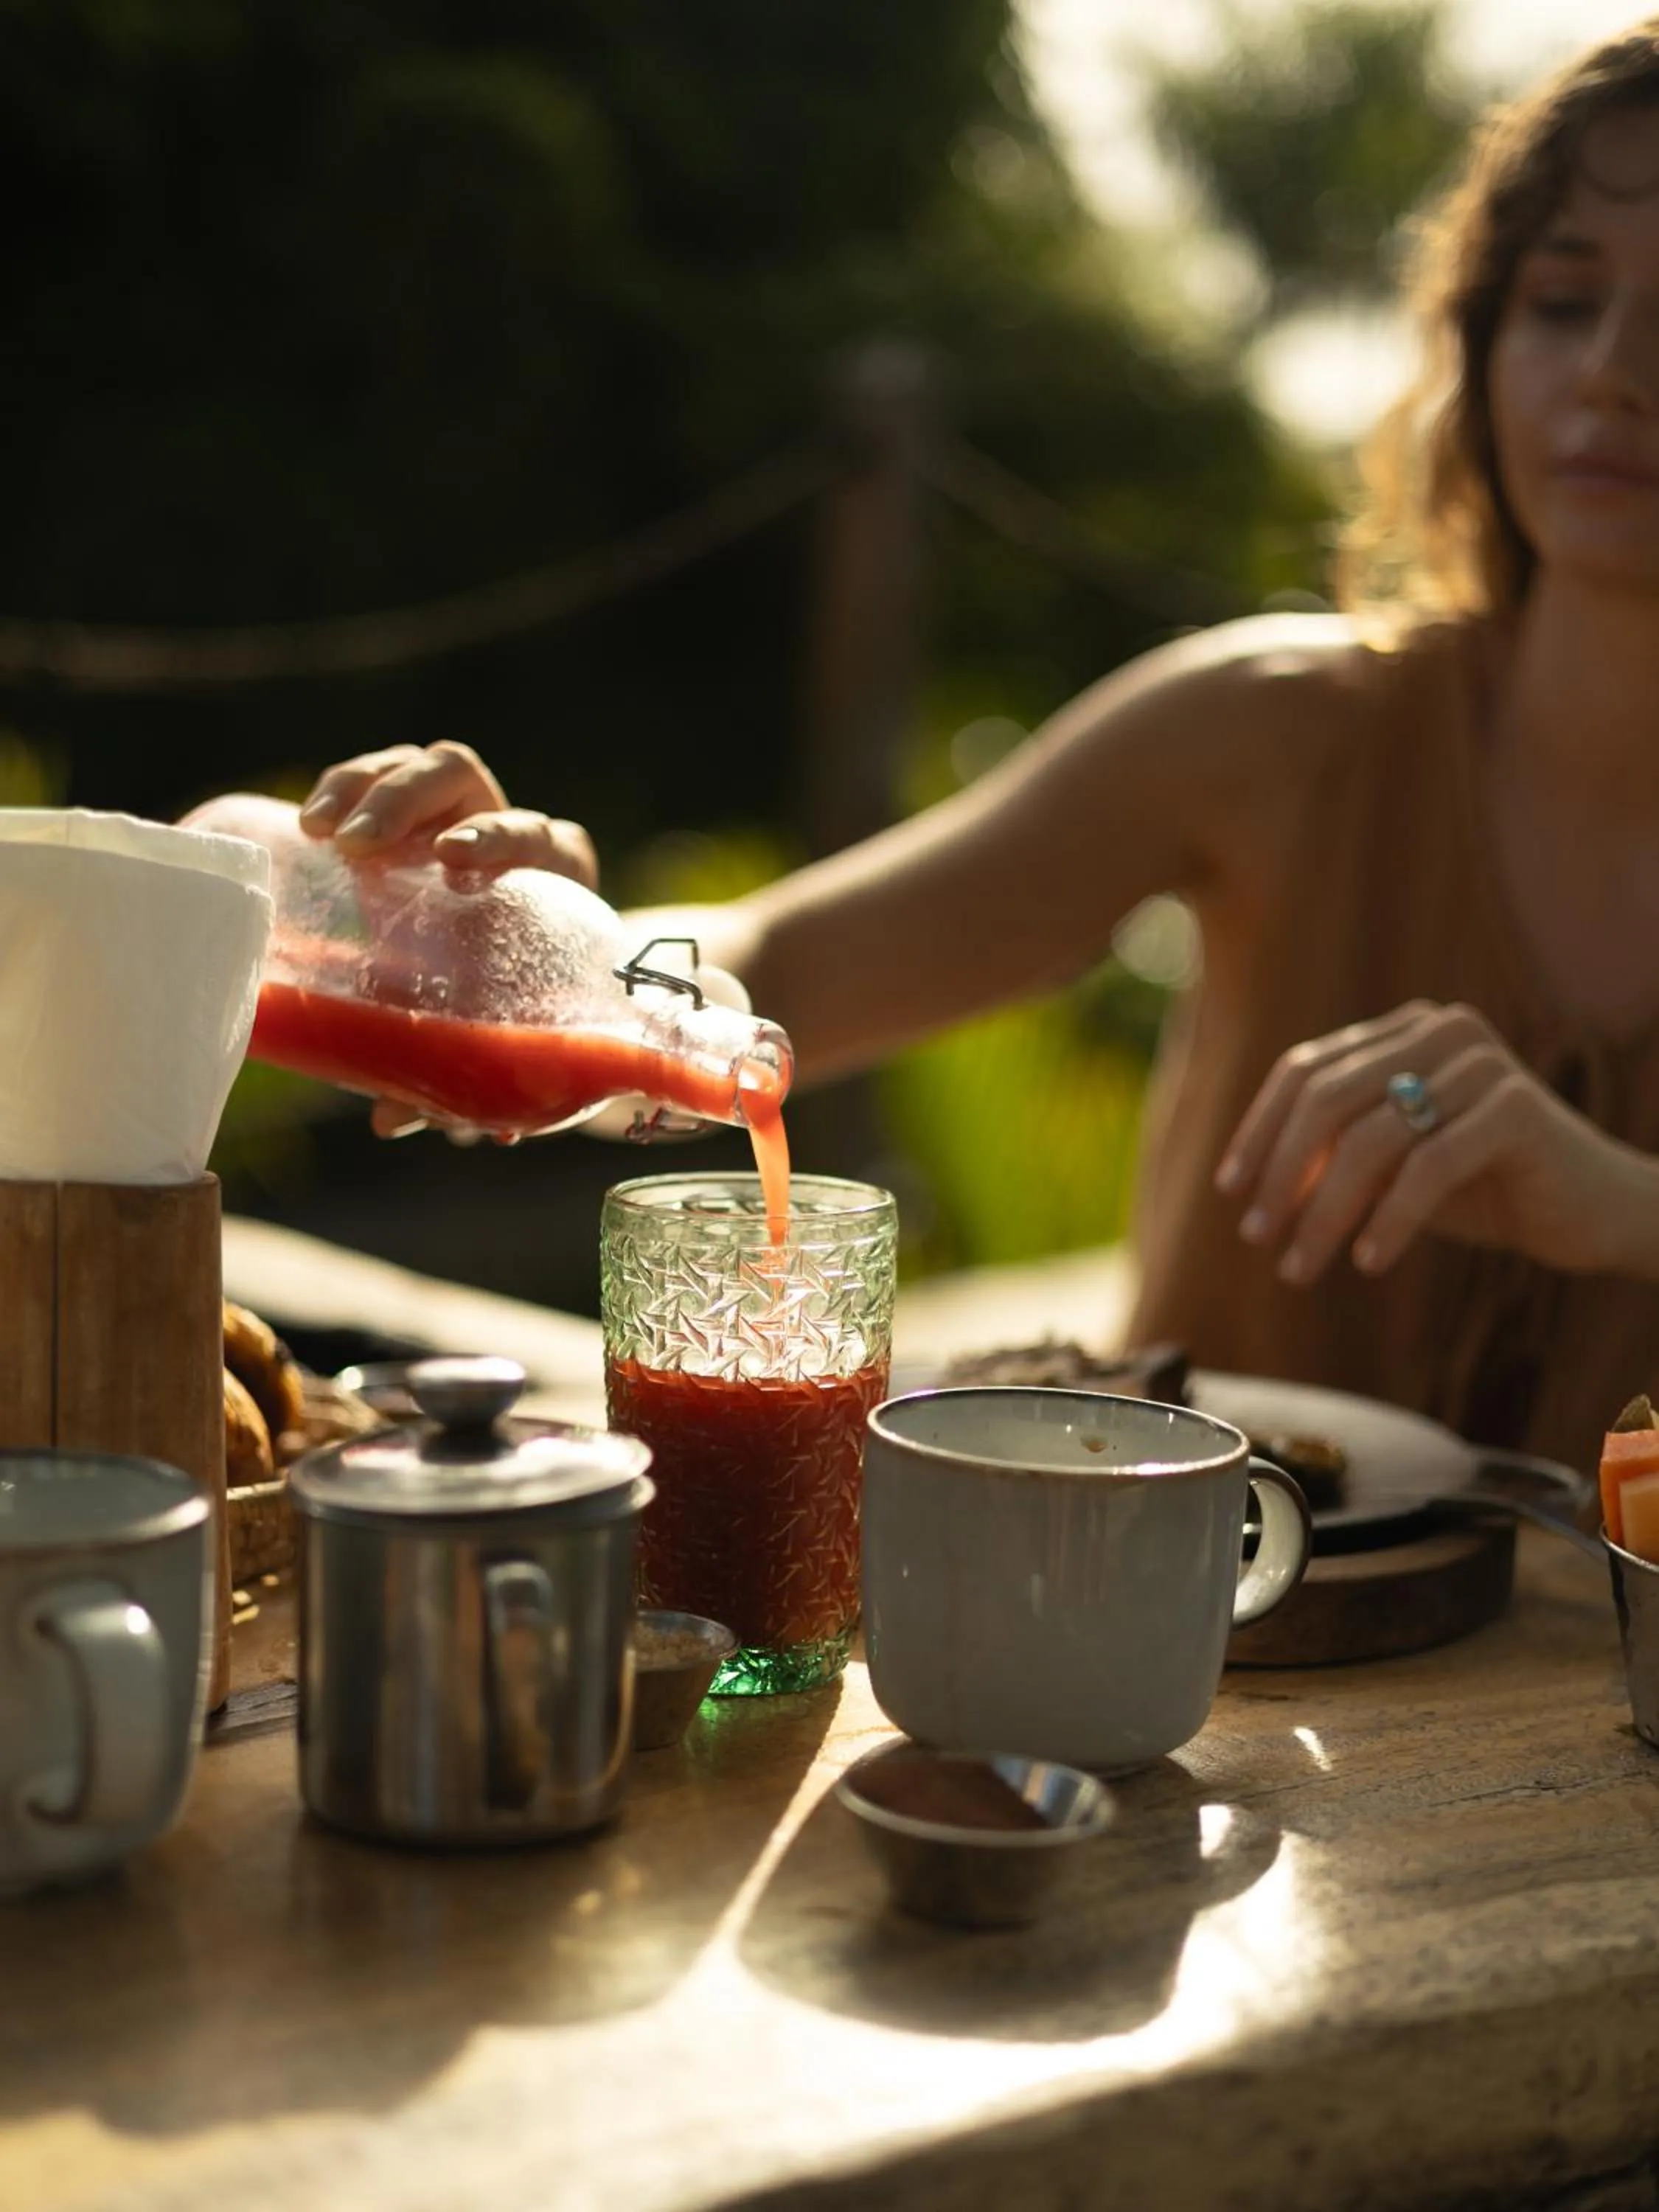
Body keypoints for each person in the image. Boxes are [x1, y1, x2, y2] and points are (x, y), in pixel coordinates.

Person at [296, 21, 1659, 1472]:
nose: (1616, 372)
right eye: (1565, 301)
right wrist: (536, 947)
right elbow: (790, 960)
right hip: (1217, 1655)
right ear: (1481, 335)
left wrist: (1624, 1203)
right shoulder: (1278, 729)